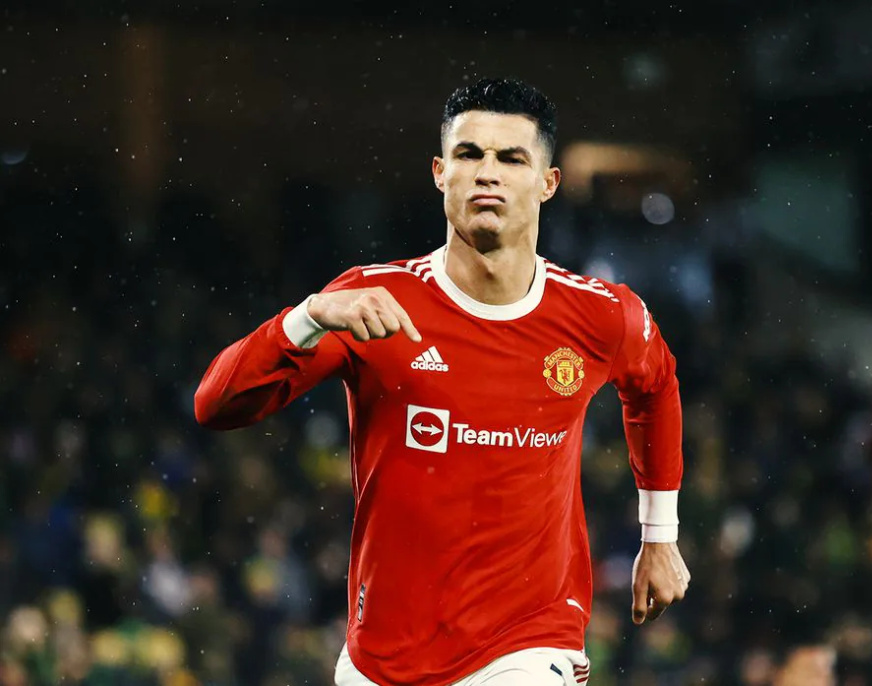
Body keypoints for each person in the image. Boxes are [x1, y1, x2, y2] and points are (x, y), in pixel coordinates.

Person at [195, 78, 690, 686]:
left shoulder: (601, 315)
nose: (488, 173)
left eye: (512, 159)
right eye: (469, 154)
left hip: (530, 643)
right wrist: (307, 316)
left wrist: (660, 535)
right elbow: (215, 405)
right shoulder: (370, 302)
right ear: (439, 172)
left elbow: (655, 385)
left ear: (548, 182)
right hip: (385, 653)